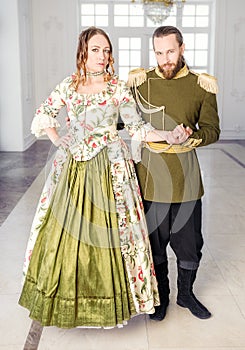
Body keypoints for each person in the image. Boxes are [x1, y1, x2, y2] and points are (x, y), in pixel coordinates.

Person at [19, 26, 189, 347]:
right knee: (67, 237)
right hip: (74, 168)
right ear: (83, 50)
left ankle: (109, 304)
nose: (102, 56)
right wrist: (59, 138)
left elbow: (137, 127)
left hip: (112, 167)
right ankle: (72, 301)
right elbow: (44, 114)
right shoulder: (69, 86)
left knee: (111, 235)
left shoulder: (118, 88)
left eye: (106, 50)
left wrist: (166, 136)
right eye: (96, 49)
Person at [127, 26, 220, 321]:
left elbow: (212, 130)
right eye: (159, 52)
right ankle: (161, 297)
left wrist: (190, 136)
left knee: (189, 244)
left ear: (182, 48)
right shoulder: (140, 83)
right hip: (151, 179)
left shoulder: (201, 85)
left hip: (187, 180)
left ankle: (186, 295)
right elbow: (125, 122)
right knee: (154, 244)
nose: (164, 59)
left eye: (170, 51)